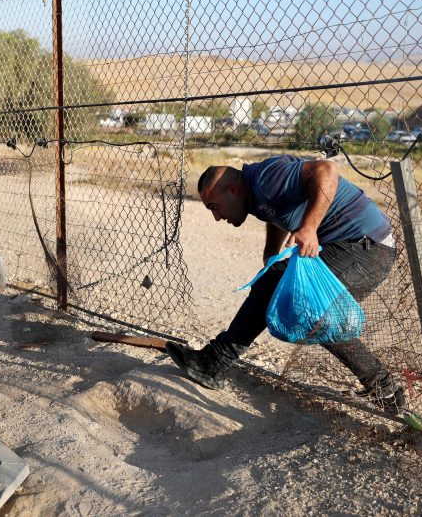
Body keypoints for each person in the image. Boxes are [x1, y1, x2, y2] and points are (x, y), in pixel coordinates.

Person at [166, 154, 406, 413]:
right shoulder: (255, 192)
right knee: (282, 286)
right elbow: (276, 212)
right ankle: (213, 362)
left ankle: (385, 388)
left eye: (214, 206)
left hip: (365, 246)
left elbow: (326, 170)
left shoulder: (265, 179)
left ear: (232, 190)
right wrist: (271, 251)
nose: (216, 216)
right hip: (357, 245)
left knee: (312, 309)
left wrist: (310, 228)